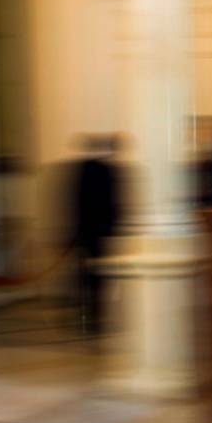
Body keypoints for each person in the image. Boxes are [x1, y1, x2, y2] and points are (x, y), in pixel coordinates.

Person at [68, 133, 123, 335]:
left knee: (90, 276)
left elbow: (76, 203)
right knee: (97, 277)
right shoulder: (107, 171)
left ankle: (91, 315)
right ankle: (94, 315)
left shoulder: (83, 170)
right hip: (100, 233)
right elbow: (113, 206)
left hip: (88, 232)